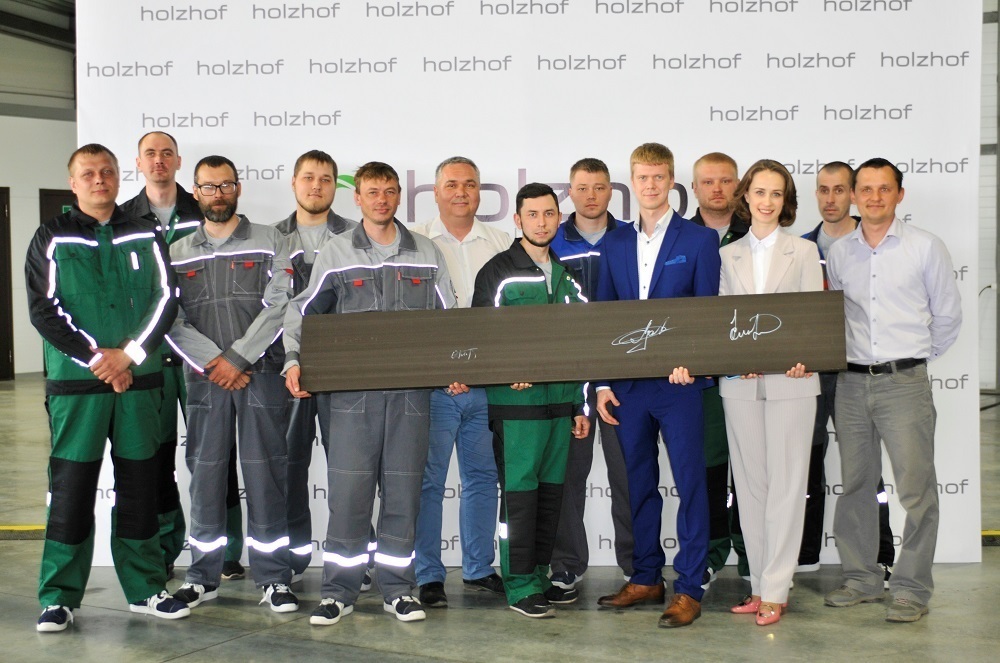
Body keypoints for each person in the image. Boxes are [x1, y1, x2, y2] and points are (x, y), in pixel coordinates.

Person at [283, 161, 457, 626]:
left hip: (410, 397)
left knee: (403, 496)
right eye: (373, 192)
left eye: (390, 191)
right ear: (357, 198)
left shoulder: (426, 252)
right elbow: (303, 312)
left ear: (399, 196)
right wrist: (293, 359)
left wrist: (456, 366)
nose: (382, 199)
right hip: (350, 400)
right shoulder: (337, 252)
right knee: (349, 497)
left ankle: (398, 590)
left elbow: (450, 319)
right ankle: (338, 592)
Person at [26, 143, 189, 631]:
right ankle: (58, 597)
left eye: (107, 172)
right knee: (71, 490)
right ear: (73, 183)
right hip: (78, 387)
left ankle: (146, 588)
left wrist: (129, 356)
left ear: (119, 178)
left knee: (140, 488)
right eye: (88, 173)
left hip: (139, 383)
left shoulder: (144, 231)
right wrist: (99, 359)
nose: (99, 180)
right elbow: (44, 309)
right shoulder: (51, 236)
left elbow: (166, 298)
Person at [824, 158, 961, 623]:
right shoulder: (840, 253)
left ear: (899, 195)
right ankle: (862, 578)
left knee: (916, 491)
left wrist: (911, 360)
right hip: (851, 383)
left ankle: (912, 588)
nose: (874, 197)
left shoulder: (925, 247)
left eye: (884, 189)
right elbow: (838, 318)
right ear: (854, 196)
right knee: (856, 486)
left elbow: (947, 316)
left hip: (904, 385)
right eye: (865, 189)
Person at [594, 142, 721, 629]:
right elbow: (605, 317)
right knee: (639, 485)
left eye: (658, 177)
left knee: (690, 485)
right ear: (633, 183)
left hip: (679, 386)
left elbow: (707, 312)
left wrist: (694, 363)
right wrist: (603, 383)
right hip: (630, 388)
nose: (650, 185)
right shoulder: (614, 243)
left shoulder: (700, 240)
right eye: (642, 178)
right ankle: (646, 576)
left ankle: (689, 587)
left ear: (671, 181)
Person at [166, 155, 298, 612]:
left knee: (266, 475)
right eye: (208, 186)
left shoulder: (271, 240)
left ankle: (274, 578)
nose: (217, 194)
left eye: (225, 185)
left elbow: (281, 305)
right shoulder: (177, 251)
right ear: (195, 192)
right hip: (206, 380)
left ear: (238, 188)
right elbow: (171, 318)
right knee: (205, 476)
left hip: (260, 375)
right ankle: (202, 577)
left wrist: (238, 358)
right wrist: (215, 362)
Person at [123, 131, 247, 582]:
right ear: (138, 162)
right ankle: (165, 546)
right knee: (156, 459)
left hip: (203, 357)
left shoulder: (208, 209)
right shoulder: (123, 220)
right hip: (150, 357)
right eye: (150, 154)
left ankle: (227, 550)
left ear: (178, 162)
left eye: (167, 153)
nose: (159, 160)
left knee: (218, 455)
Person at [471, 182, 590, 618]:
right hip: (517, 409)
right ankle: (519, 585)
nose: (542, 222)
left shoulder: (568, 278)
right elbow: (480, 337)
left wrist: (579, 406)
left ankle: (539, 577)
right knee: (520, 499)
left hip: (560, 408)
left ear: (559, 218)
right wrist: (506, 370)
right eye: (533, 215)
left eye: (549, 213)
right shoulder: (498, 272)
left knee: (549, 498)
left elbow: (582, 347)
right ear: (517, 220)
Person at [718, 159, 822, 626]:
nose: (766, 201)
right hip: (740, 385)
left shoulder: (804, 252)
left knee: (787, 487)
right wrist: (736, 360)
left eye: (776, 193)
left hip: (792, 382)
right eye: (759, 192)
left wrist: (803, 357)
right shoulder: (727, 255)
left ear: (786, 201)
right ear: (746, 196)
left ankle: (778, 589)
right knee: (751, 489)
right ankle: (760, 585)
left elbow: (810, 320)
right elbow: (722, 321)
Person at [411, 157, 510, 607]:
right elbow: (414, 316)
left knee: (482, 478)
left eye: (470, 184)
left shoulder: (502, 243)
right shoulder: (414, 242)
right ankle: (428, 574)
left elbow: (509, 317)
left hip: (486, 384)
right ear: (435, 192)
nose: (461, 192)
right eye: (451, 184)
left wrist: (477, 371)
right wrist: (442, 369)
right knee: (428, 481)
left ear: (479, 192)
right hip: (435, 386)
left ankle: (478, 568)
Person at [797, 162, 895, 579]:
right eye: (823, 190)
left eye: (839, 190)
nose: (830, 198)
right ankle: (804, 555)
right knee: (806, 463)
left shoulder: (870, 243)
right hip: (809, 373)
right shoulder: (800, 247)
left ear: (853, 194)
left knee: (866, 468)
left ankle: (881, 554)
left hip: (857, 372)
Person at [548, 158, 633, 596]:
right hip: (571, 380)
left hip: (622, 377)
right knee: (567, 477)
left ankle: (637, 565)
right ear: (570, 192)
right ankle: (566, 564)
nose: (591, 195)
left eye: (599, 187)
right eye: (582, 188)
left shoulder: (631, 238)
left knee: (629, 475)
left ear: (611, 191)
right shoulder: (551, 242)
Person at [274, 150, 357, 581]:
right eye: (308, 177)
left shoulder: (356, 236)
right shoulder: (273, 239)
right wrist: (291, 359)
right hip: (286, 371)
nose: (316, 186)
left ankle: (355, 561)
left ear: (335, 186)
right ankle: (293, 558)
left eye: (325, 179)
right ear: (294, 182)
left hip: (342, 373)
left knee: (350, 471)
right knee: (288, 468)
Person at [688, 152, 751, 588]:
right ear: (693, 188)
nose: (717, 189)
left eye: (726, 181)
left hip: (750, 372)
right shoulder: (680, 237)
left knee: (751, 465)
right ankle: (712, 552)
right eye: (708, 181)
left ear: (738, 186)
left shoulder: (759, 233)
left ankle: (752, 553)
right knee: (709, 467)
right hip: (702, 378)